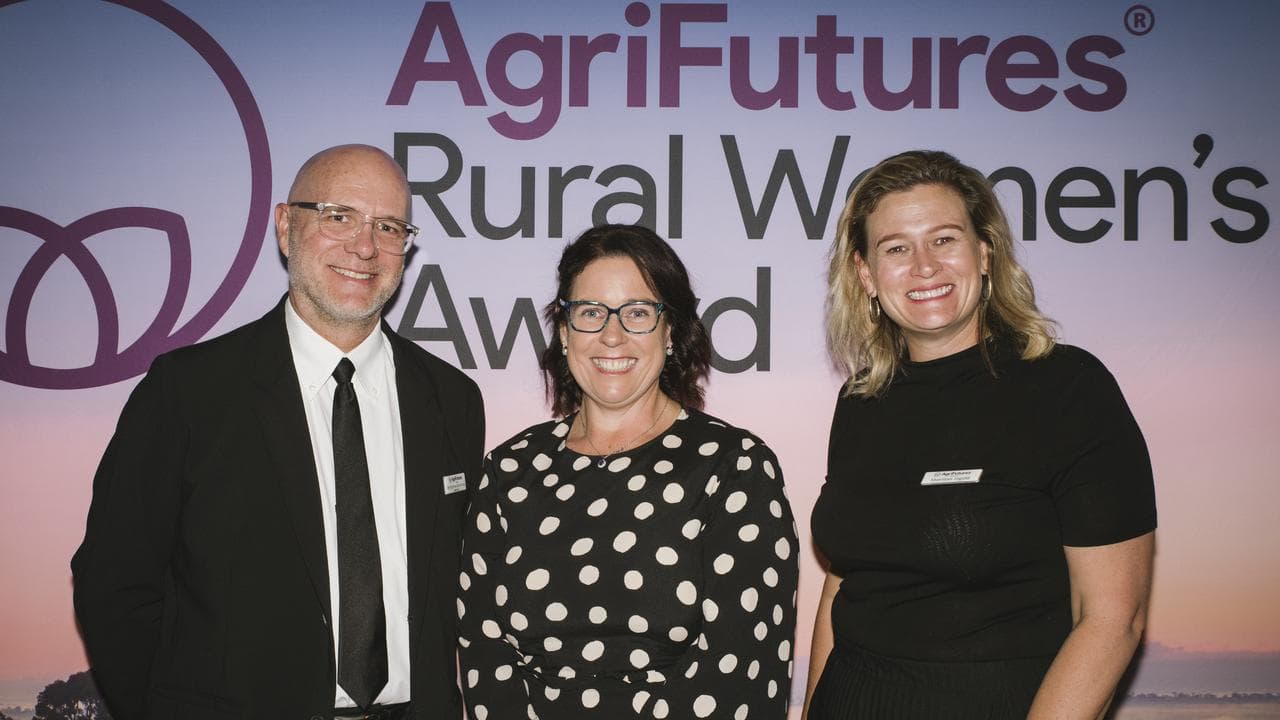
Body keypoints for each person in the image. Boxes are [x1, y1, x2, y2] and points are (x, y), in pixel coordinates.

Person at [72, 145, 485, 720]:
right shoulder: (189, 391)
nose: (364, 247)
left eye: (388, 227)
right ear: (286, 227)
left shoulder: (452, 399)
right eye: (339, 217)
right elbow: (115, 583)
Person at [804, 150, 1157, 720]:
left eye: (945, 239)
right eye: (896, 247)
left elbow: (1113, 618)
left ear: (985, 253)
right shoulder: (861, 401)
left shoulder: (1068, 389)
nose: (924, 266)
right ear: (865, 273)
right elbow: (843, 585)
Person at [457, 224, 798, 719]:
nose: (611, 335)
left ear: (671, 330)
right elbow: (486, 658)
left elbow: (742, 674)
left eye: (637, 313)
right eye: (590, 312)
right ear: (563, 330)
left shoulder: (735, 468)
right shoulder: (510, 470)